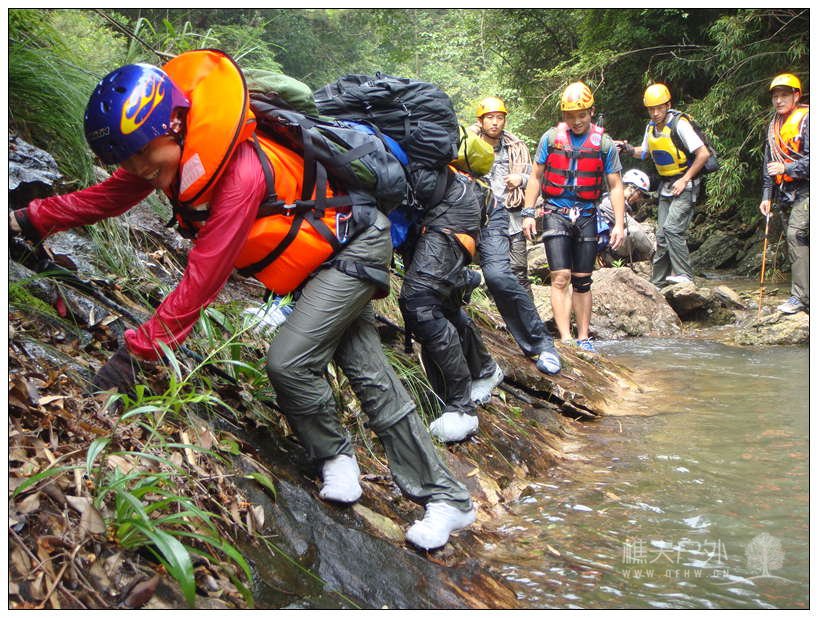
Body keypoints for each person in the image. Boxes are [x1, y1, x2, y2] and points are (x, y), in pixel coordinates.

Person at [8, 50, 476, 551]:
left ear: (173, 126)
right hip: (315, 253)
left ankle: (391, 477)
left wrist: (135, 354)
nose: (140, 169)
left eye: (143, 155)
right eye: (128, 160)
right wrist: (29, 219)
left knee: (289, 361)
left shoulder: (241, 172)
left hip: (353, 245)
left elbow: (204, 277)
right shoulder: (168, 155)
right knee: (368, 373)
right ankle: (407, 483)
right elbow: (103, 198)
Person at [399, 165, 504, 444]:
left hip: (450, 205)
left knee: (420, 302)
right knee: (440, 303)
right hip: (437, 203)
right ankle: (484, 369)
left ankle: (461, 408)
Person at [521, 82, 625, 353]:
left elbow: (615, 185)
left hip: (588, 215)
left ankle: (583, 337)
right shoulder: (550, 139)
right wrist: (528, 213)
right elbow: (535, 177)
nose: (576, 121)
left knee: (582, 280)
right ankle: (566, 337)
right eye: (570, 115)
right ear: (563, 115)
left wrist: (620, 224)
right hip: (555, 213)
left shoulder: (604, 144)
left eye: (581, 115)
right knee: (560, 276)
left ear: (591, 112)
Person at [470, 97, 561, 374]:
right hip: (470, 216)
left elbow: (535, 177)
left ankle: (537, 337)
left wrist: (520, 181)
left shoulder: (515, 146)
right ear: (480, 121)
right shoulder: (467, 144)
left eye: (499, 117)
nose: (495, 122)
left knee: (515, 272)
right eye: (490, 117)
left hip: (508, 215)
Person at [619, 83, 709, 287]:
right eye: (651, 109)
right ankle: (658, 283)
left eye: (659, 108)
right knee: (661, 236)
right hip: (666, 186)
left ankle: (685, 276)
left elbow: (703, 154)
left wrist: (685, 179)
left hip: (686, 185)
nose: (655, 113)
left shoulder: (680, 125)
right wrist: (626, 148)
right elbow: (643, 152)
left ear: (668, 105)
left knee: (672, 229)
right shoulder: (650, 127)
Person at [759, 73, 809, 314]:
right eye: (775, 96)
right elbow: (768, 165)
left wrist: (787, 168)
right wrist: (766, 195)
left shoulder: (807, 121)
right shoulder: (773, 127)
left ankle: (800, 297)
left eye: (784, 95)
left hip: (808, 188)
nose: (778, 100)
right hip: (786, 192)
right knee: (800, 240)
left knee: (795, 235)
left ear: (796, 96)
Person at [597, 169, 654, 265]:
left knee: (645, 229)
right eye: (639, 194)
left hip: (617, 248)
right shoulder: (610, 202)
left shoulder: (624, 205)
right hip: (610, 253)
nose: (639, 199)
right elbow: (632, 225)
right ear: (631, 188)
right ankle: (657, 258)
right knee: (634, 231)